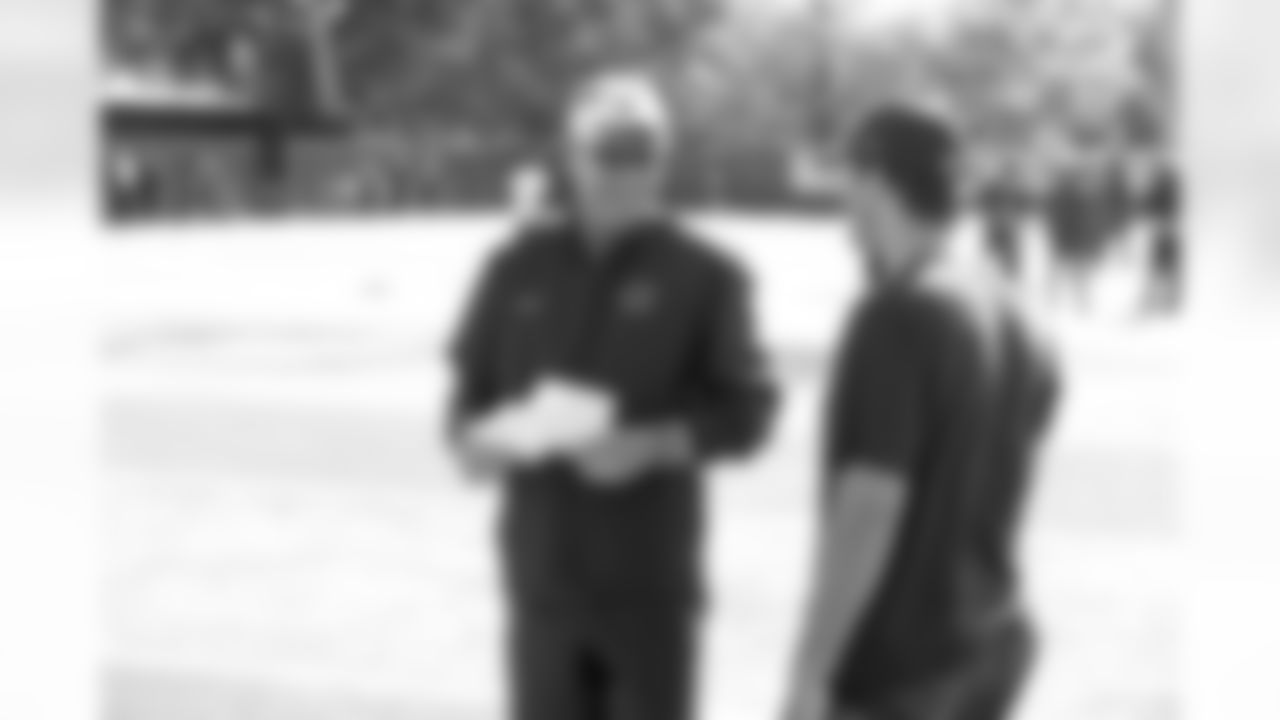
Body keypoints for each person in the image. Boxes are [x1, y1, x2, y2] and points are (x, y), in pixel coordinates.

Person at [445, 71, 778, 720]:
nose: (625, 172)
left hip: (648, 594)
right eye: (608, 152)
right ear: (572, 156)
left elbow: (750, 411)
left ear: (663, 160)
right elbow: (468, 396)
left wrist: (654, 445)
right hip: (542, 589)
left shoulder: (710, 275)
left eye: (641, 152)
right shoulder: (514, 268)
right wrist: (473, 445)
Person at [780, 104, 1063, 720]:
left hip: (902, 666)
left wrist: (808, 673)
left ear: (876, 184)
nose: (845, 203)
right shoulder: (1012, 305)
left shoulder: (897, 315)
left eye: (850, 181)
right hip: (990, 636)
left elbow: (869, 506)